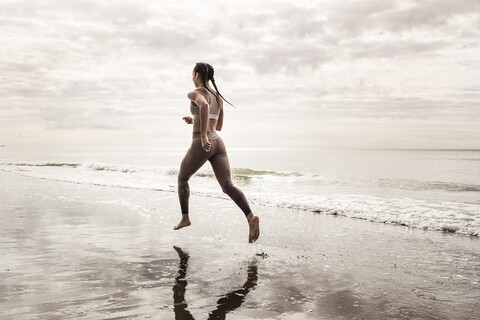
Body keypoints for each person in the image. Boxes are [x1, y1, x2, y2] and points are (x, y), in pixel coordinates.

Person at [174, 62, 260, 243]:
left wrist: (203, 135)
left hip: (201, 142)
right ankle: (250, 216)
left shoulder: (194, 93)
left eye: (192, 74)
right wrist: (195, 120)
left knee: (182, 178)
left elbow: (204, 106)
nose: (192, 77)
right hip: (218, 144)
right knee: (227, 185)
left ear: (197, 75)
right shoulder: (218, 97)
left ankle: (185, 217)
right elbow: (218, 126)